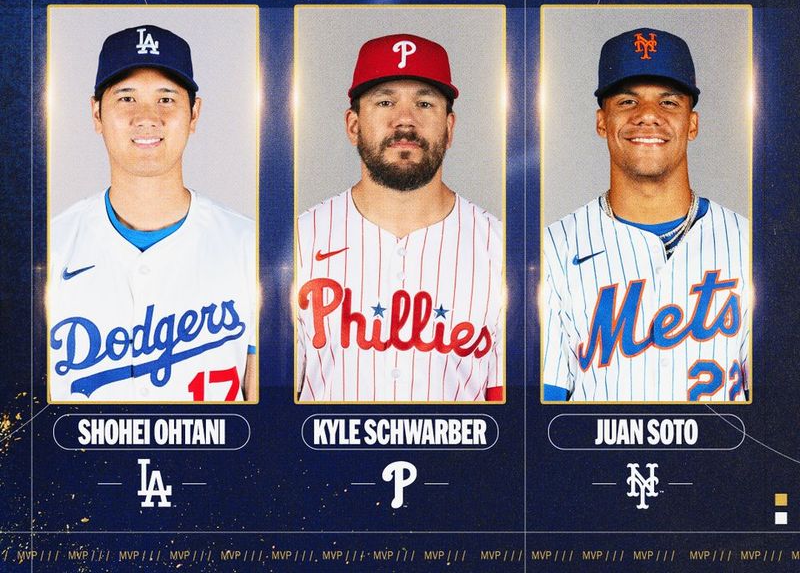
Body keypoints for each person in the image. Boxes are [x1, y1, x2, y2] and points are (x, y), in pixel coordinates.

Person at [48, 24, 257, 402]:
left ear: (195, 113)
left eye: (166, 99)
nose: (147, 117)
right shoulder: (48, 249)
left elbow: (269, 420)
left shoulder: (250, 248)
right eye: (126, 98)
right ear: (96, 113)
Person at [542, 27, 750, 403]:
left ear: (693, 123)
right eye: (627, 101)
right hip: (596, 460)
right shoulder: (553, 249)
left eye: (669, 102)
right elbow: (545, 416)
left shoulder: (750, 244)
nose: (648, 116)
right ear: (602, 120)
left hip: (720, 459)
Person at [296, 33, 504, 403]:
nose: (404, 120)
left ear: (450, 128)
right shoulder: (298, 242)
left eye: (424, 103)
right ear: (353, 125)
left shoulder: (501, 251)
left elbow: (507, 415)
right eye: (385, 101)